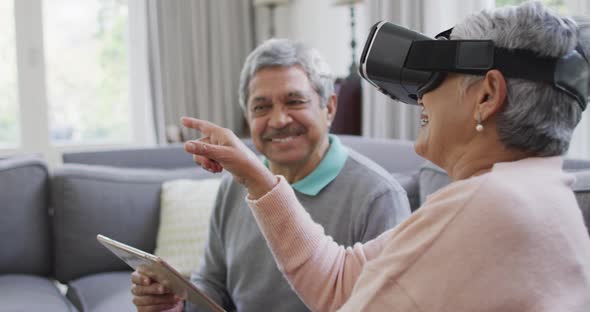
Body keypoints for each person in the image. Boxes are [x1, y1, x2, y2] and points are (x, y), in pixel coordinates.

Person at [182, 2, 590, 311]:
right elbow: (340, 282)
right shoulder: (537, 190)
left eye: (436, 78)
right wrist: (257, 176)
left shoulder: (486, 205)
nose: (421, 96)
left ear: (487, 96)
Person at [130, 39, 411, 311]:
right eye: (261, 107)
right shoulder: (234, 185)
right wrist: (178, 303)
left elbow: (382, 303)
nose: (278, 120)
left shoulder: (379, 196)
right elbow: (214, 282)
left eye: (295, 101)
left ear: (329, 108)